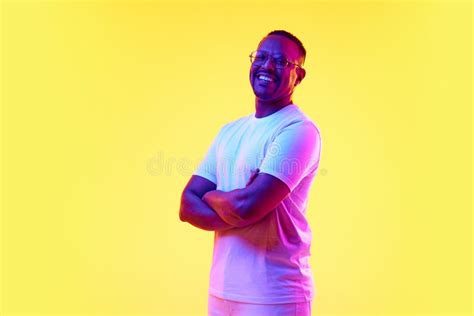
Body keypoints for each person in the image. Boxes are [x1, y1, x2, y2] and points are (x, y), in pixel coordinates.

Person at [179, 30, 322, 316]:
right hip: (222, 291)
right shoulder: (229, 131)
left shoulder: (298, 131)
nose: (267, 66)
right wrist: (237, 200)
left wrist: (215, 196)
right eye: (262, 57)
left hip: (274, 295)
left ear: (300, 76)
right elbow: (186, 204)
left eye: (282, 62)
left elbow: (247, 206)